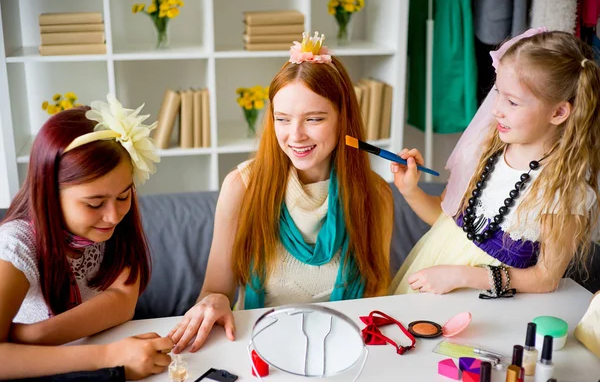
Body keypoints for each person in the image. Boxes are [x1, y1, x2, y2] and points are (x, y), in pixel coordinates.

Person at [169, 32, 393, 353]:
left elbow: (378, 295)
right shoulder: (242, 186)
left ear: (344, 119)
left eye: (314, 119)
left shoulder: (377, 195)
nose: (295, 135)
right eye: (282, 120)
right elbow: (215, 289)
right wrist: (214, 301)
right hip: (260, 345)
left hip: (345, 348)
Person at [390, 28, 600, 296]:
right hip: (432, 276)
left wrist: (462, 275)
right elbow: (442, 221)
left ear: (558, 112)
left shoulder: (562, 190)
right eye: (498, 92)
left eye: (512, 102)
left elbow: (545, 278)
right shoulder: (487, 152)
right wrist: (409, 189)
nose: (496, 108)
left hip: (483, 301)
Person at [0, 96, 173, 380]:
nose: (114, 216)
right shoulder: (16, 246)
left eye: (124, 195)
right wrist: (108, 357)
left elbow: (122, 300)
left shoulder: (114, 224)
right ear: (49, 193)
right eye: (94, 204)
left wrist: (32, 336)